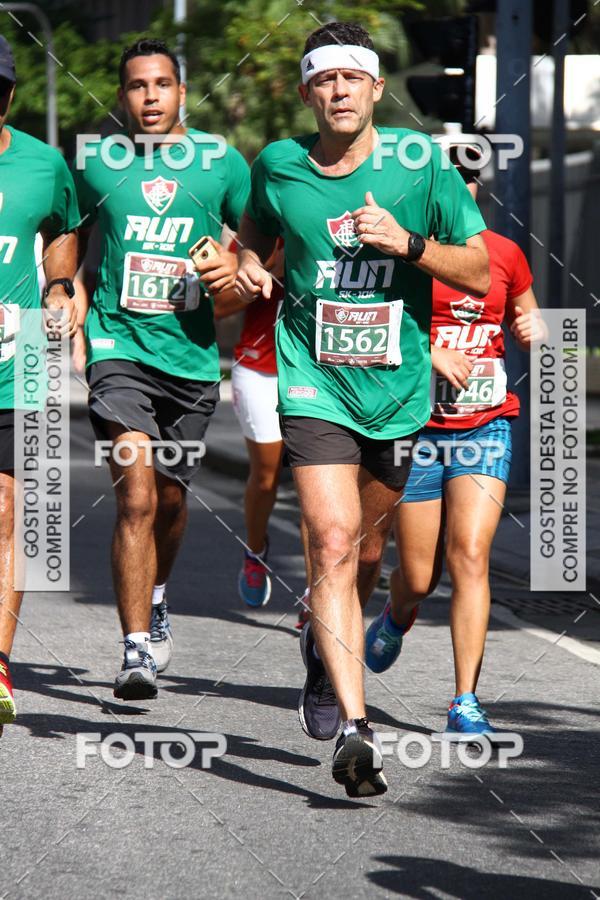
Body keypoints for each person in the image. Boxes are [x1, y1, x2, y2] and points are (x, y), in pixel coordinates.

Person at [236, 22, 490, 796]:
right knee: (333, 539)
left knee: (369, 555)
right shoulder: (278, 164)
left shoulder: (421, 163)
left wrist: (407, 244)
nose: (339, 90)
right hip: (313, 381)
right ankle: (356, 729)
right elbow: (253, 237)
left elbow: (478, 270)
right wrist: (245, 266)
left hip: (397, 391)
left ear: (378, 89)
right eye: (325, 79)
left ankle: (322, 652)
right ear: (306, 93)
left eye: (353, 77)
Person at [74, 38, 249, 701]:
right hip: (118, 349)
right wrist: (67, 290)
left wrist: (237, 267)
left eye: (162, 84)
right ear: (122, 97)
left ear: (182, 91)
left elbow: (263, 239)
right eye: (137, 86)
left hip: (192, 359)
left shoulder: (220, 163)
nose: (150, 96)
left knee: (171, 502)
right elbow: (67, 231)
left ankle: (158, 595)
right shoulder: (97, 162)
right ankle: (135, 649)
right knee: (137, 498)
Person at [365, 144, 545, 738]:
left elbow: (528, 316)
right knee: (420, 577)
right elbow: (371, 329)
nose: (460, 187)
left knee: (470, 555)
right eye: (450, 177)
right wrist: (429, 353)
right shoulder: (402, 251)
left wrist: (534, 327)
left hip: (486, 425)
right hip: (417, 429)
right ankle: (397, 614)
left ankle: (465, 700)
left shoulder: (505, 253)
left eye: (469, 177)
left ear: (478, 189)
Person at [0, 36, 79, 729]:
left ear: (11, 93)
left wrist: (58, 285)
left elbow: (63, 229)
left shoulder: (42, 163)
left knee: (9, 512)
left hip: (21, 351)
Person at [214, 241, 284, 608]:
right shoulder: (257, 230)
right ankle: (255, 551)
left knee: (318, 481)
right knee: (266, 476)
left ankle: (317, 593)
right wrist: (270, 270)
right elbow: (220, 305)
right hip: (261, 368)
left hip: (322, 373)